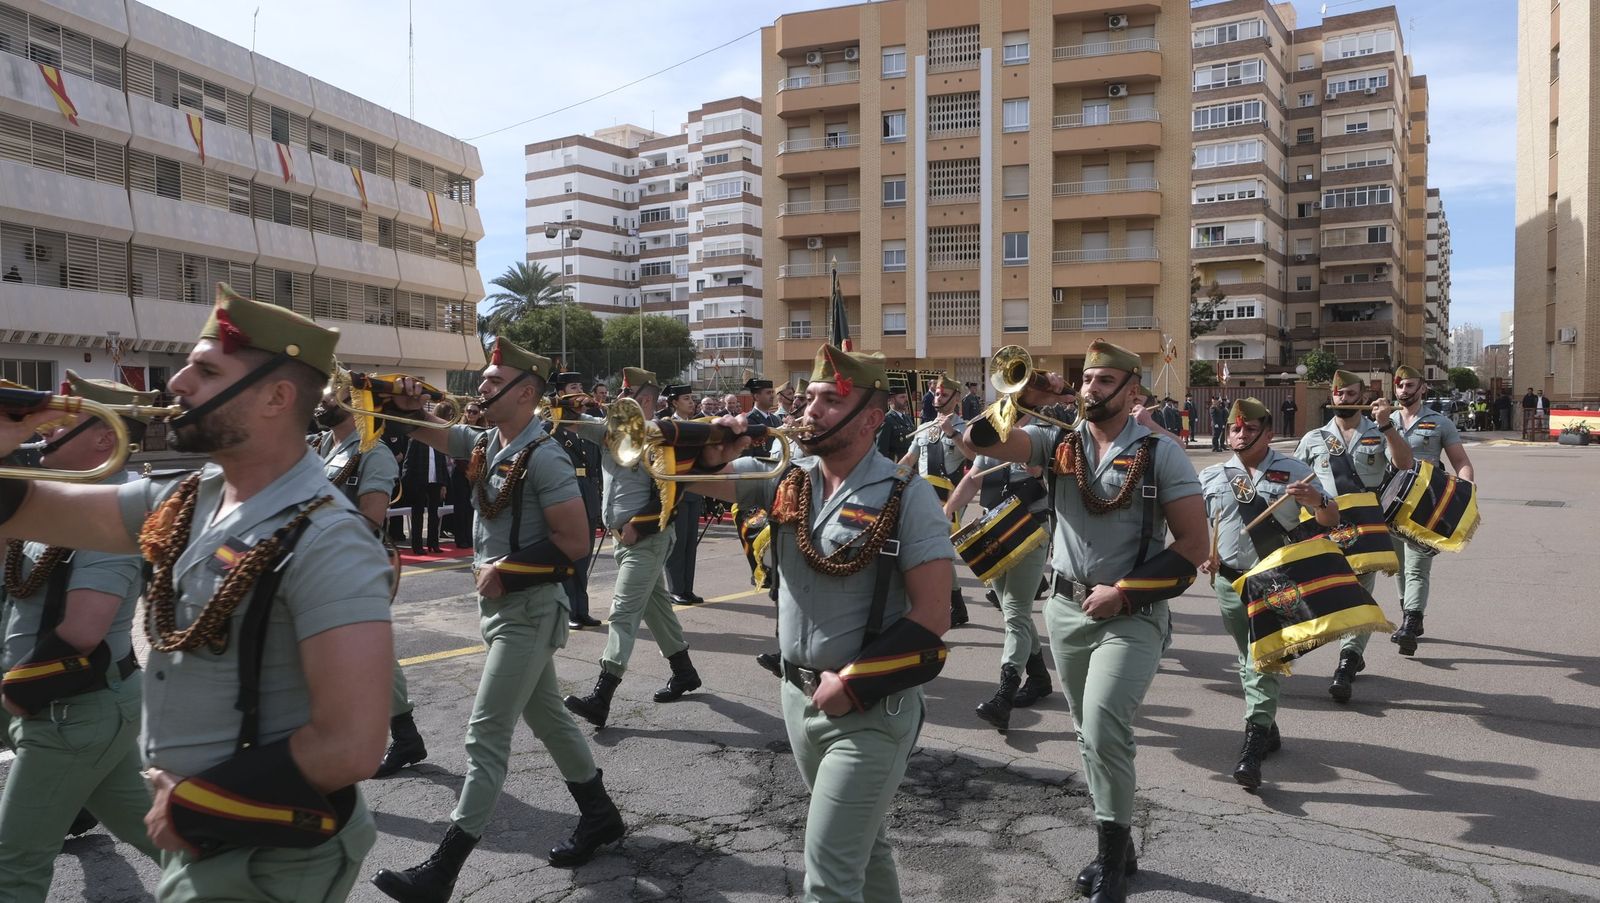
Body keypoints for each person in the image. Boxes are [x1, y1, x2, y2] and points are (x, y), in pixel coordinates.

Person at [0, 285, 394, 901]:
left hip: (268, 854)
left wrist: (194, 804)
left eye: (206, 370)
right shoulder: (188, 499)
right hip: (208, 833)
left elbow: (352, 744)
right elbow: (26, 511)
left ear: (277, 397)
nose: (178, 383)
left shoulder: (329, 540)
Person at [686, 343, 955, 902]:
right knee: (866, 848)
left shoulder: (907, 496)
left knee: (828, 880)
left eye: (831, 400)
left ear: (872, 419)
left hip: (870, 706)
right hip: (797, 697)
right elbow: (686, 476)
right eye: (809, 397)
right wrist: (714, 441)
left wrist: (852, 683)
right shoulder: (787, 477)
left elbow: (933, 615)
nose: (811, 409)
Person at [371, 338, 624, 903]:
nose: (480, 388)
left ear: (527, 393)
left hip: (529, 609)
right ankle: (600, 814)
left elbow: (576, 541)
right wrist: (406, 405)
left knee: (485, 733)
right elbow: (436, 433)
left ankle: (443, 870)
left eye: (492, 382)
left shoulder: (547, 454)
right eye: (483, 380)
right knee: (552, 721)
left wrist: (507, 571)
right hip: (503, 609)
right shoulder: (491, 441)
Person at [964, 339, 1207, 903]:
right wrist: (1008, 396)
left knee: (1101, 723)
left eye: (1103, 381)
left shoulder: (1159, 452)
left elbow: (1194, 545)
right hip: (1067, 608)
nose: (1089, 389)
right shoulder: (1057, 442)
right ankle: (1120, 844)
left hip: (1134, 611)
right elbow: (977, 440)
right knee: (1085, 730)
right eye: (1086, 379)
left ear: (1133, 392)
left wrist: (1124, 592)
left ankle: (1110, 861)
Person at [0, 372, 159, 902]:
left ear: (104, 439)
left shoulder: (112, 513)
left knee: (13, 865)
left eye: (62, 427)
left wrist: (12, 694)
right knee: (158, 833)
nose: (45, 435)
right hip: (58, 706)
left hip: (72, 710)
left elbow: (83, 632)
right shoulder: (49, 502)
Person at [1199, 398, 1340, 790]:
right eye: (1234, 429)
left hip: (1274, 580)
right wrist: (1206, 557)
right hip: (1229, 583)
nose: (1239, 435)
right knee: (1248, 656)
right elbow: (1203, 524)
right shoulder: (1213, 475)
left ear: (1268, 433)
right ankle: (1268, 723)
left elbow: (1332, 518)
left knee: (1261, 659)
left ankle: (1253, 741)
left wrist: (1317, 501)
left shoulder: (1296, 473)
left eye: (1248, 429)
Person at [559, 368, 703, 729]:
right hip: (622, 537)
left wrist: (637, 525)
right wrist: (571, 400)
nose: (619, 402)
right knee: (657, 610)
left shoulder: (662, 435)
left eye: (628, 397)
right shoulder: (613, 431)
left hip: (647, 537)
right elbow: (568, 422)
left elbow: (671, 490)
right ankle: (684, 673)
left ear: (647, 400)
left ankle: (602, 694)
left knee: (622, 612)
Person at [311, 385, 427, 780]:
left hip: (348, 566)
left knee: (361, 655)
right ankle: (405, 735)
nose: (322, 399)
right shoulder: (325, 443)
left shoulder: (371, 452)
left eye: (331, 394)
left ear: (355, 403)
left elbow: (368, 523)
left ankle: (385, 737)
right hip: (320, 567)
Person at [1293, 371, 1412, 703]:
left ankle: (1346, 661)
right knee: (1330, 594)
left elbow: (1404, 464)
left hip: (1366, 525)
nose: (1343, 398)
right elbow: (1292, 483)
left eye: (1350, 393)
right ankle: (1353, 651)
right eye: (1338, 394)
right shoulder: (1314, 438)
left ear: (1363, 396)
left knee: (1360, 592)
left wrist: (1388, 425)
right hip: (1324, 527)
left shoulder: (1379, 432)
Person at [940, 415, 1051, 732]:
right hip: (994, 532)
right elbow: (973, 479)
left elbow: (1047, 474)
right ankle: (1040, 678)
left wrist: (1038, 470)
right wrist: (945, 513)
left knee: (1015, 612)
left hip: (1028, 531)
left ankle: (1005, 694)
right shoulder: (992, 444)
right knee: (1012, 611)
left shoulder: (1038, 439)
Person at [1388, 364, 1475, 655]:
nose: (1404, 391)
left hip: (1425, 505)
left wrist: (1465, 494)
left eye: (1410, 385)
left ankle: (1411, 622)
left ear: (1423, 388)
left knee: (1417, 566)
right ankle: (1409, 613)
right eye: (1400, 386)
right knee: (1399, 566)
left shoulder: (1440, 422)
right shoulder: (1384, 420)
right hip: (1389, 504)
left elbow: (1461, 462)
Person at [900, 373, 969, 627]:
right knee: (934, 550)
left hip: (948, 496)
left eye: (943, 394)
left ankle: (950, 604)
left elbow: (974, 455)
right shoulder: (923, 428)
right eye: (936, 393)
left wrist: (952, 434)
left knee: (937, 548)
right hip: (922, 495)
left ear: (956, 398)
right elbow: (909, 460)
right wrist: (889, 478)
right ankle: (957, 604)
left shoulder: (964, 426)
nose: (937, 397)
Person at [549, 373, 603, 630]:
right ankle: (568, 610)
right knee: (567, 557)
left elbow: (597, 468)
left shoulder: (590, 428)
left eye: (581, 386)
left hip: (588, 493)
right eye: (573, 387)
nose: (580, 391)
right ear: (560, 394)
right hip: (566, 493)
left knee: (584, 555)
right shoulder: (551, 429)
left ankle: (581, 610)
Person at [662, 385, 706, 606]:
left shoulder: (697, 424)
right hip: (676, 491)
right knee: (677, 543)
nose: (691, 402)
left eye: (692, 398)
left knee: (690, 542)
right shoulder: (668, 426)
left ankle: (687, 588)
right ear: (674, 402)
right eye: (686, 399)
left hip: (695, 490)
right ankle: (675, 589)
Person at [402, 435, 449, 554]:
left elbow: (442, 464)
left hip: (435, 482)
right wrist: (407, 482)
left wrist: (443, 484)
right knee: (417, 514)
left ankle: (433, 544)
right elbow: (408, 462)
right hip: (419, 482)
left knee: (434, 514)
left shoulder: (438, 442)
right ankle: (417, 546)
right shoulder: (416, 440)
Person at [448, 402, 484, 549]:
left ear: (479, 414)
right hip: (460, 470)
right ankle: (460, 538)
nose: (471, 414)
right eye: (468, 411)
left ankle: (470, 537)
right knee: (460, 507)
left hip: (475, 472)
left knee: (472, 506)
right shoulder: (458, 429)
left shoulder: (483, 430)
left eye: (474, 412)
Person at [876, 380, 916, 462]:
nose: (906, 400)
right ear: (891, 400)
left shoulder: (907, 418)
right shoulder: (887, 420)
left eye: (906, 396)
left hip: (908, 466)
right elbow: (881, 450)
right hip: (895, 466)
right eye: (902, 397)